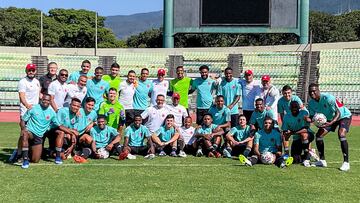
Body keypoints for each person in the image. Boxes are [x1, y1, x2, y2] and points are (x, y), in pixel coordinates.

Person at [305, 83, 352, 171]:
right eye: (310, 92)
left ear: (319, 90)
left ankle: (346, 163)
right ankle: (322, 161)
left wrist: (331, 123)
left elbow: (338, 112)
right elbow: (312, 116)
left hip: (343, 116)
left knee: (341, 134)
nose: (312, 93)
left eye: (314, 91)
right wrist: (308, 119)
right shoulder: (311, 103)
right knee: (319, 136)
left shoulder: (328, 98)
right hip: (329, 119)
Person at [15, 94, 64, 168]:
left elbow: (58, 125)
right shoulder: (33, 108)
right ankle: (24, 159)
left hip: (39, 136)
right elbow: (23, 121)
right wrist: (24, 129)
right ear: (41, 99)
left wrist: (71, 132)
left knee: (35, 160)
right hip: (30, 132)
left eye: (48, 100)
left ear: (50, 101)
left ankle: (25, 152)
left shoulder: (52, 113)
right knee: (25, 134)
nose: (45, 101)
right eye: (44, 99)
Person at [282, 101, 314, 166]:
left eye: (296, 106)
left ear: (299, 107)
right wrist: (286, 151)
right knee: (296, 160)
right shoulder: (286, 117)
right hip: (296, 138)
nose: (294, 108)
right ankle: (310, 153)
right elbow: (285, 132)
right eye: (292, 107)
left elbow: (306, 128)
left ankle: (306, 158)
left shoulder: (304, 113)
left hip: (308, 135)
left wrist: (293, 132)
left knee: (303, 135)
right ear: (289, 108)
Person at [52, 98, 83, 164]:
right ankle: (57, 156)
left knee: (64, 157)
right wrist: (72, 133)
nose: (76, 107)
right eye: (74, 105)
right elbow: (59, 126)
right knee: (62, 133)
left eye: (78, 106)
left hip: (66, 133)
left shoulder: (77, 116)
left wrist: (71, 147)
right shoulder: (62, 111)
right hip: (54, 131)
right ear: (70, 105)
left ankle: (50, 152)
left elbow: (76, 132)